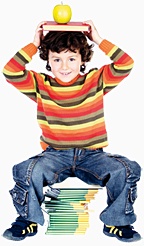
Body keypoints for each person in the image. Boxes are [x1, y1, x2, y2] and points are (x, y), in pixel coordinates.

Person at [2, 20, 141, 242]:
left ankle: (116, 222)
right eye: (56, 59)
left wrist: (98, 39)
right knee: (27, 170)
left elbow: (126, 64)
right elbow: (10, 71)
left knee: (125, 169)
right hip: (54, 155)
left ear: (82, 59)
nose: (64, 66)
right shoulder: (40, 85)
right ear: (48, 61)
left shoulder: (96, 80)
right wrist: (33, 44)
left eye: (71, 58)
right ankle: (28, 220)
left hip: (93, 156)